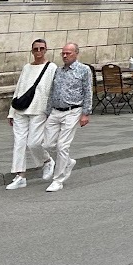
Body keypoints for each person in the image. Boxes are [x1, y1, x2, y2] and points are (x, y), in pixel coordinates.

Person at [39, 42, 91, 191]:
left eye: (68, 53)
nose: (65, 55)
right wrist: (48, 111)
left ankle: (58, 179)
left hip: (72, 110)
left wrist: (85, 113)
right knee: (47, 144)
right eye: (63, 53)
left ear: (76, 54)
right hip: (56, 110)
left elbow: (88, 91)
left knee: (62, 145)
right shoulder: (58, 70)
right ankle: (67, 162)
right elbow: (52, 91)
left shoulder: (83, 70)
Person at [6, 37, 55, 190]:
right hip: (21, 110)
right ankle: (20, 176)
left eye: (41, 48)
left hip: (39, 110)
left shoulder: (52, 67)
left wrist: (50, 112)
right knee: (19, 143)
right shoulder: (27, 67)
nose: (38, 51)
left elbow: (52, 91)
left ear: (46, 50)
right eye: (35, 49)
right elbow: (19, 89)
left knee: (33, 142)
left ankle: (47, 161)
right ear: (32, 51)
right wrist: (11, 112)